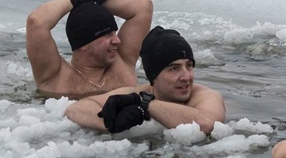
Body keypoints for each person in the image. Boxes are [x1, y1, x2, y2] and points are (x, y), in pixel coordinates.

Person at [64, 26, 225, 135]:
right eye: (174, 68)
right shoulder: (136, 93)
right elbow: (76, 109)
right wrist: (109, 122)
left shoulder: (205, 96)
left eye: (189, 66)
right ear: (153, 76)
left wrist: (145, 104)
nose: (186, 76)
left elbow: (208, 124)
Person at [25, 0, 154, 98]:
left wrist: (90, 2)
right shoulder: (54, 77)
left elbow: (143, 7)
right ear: (84, 44)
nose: (117, 40)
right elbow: (36, 22)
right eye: (107, 34)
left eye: (115, 33)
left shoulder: (124, 61)